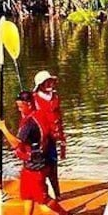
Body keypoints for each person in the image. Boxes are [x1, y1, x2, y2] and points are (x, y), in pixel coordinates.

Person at [0, 91, 73, 215]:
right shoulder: (40, 114)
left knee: (42, 197)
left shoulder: (29, 124)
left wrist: (3, 129)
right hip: (31, 164)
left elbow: (16, 144)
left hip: (36, 166)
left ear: (29, 104)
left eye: (21, 107)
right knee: (27, 194)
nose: (19, 110)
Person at [32, 70, 66, 199]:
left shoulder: (55, 97)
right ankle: (42, 193)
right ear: (40, 85)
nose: (50, 84)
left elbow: (59, 117)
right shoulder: (34, 98)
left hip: (53, 136)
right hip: (41, 138)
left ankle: (56, 194)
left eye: (50, 81)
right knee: (40, 166)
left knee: (53, 164)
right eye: (46, 82)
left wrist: (62, 137)